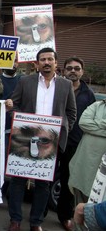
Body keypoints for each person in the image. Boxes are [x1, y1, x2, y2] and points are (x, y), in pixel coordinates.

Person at [8, 47, 76, 231]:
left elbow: (71, 113)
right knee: (17, 181)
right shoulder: (25, 81)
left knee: (43, 184)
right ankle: (15, 220)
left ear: (55, 63)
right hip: (24, 138)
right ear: (37, 64)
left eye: (50, 59)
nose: (46, 62)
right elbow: (15, 105)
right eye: (43, 59)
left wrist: (61, 131)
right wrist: (23, 123)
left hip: (50, 143)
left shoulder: (65, 85)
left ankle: (36, 222)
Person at [56, 56, 95, 231]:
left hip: (73, 144)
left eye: (76, 68)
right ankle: (37, 218)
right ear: (63, 71)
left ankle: (64, 216)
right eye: (69, 68)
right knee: (44, 178)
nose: (73, 71)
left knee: (66, 181)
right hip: (51, 138)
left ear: (82, 72)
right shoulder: (55, 88)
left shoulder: (89, 95)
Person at [69, 99, 106, 205]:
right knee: (81, 204)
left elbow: (89, 125)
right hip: (85, 164)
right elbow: (83, 123)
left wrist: (96, 124)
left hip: (103, 170)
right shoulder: (96, 106)